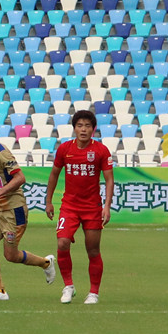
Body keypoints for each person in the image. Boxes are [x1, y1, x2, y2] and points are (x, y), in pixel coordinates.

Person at [0, 116, 56, 301]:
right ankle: (0, 291)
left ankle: (46, 263)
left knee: (10, 255)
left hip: (14, 210)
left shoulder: (2, 153)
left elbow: (20, 178)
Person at [44, 111, 114, 305]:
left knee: (92, 250)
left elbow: (109, 180)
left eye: (88, 126)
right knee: (62, 243)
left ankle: (93, 293)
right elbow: (54, 175)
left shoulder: (101, 151)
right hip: (69, 206)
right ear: (74, 128)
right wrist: (48, 201)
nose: (84, 130)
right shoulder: (65, 149)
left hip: (92, 207)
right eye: (80, 126)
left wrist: (106, 207)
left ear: (93, 128)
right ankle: (68, 286)